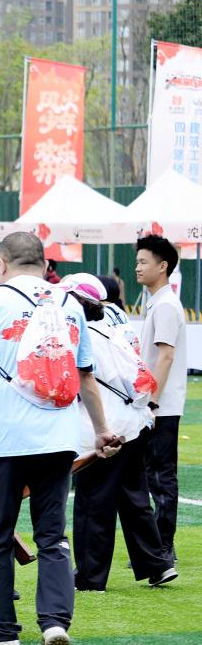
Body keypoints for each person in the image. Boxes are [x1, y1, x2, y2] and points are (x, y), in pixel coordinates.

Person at [0, 232, 119, 645]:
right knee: (52, 537)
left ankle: (3, 634)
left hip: (6, 439)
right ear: (44, 265)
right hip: (59, 439)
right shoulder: (70, 303)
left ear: (1, 264)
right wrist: (101, 430)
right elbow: (85, 376)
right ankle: (55, 623)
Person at [62, 273, 176, 591]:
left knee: (93, 501)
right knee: (134, 497)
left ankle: (90, 576)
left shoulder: (80, 336)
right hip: (134, 423)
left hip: (103, 427)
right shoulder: (114, 329)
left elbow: (82, 383)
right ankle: (157, 564)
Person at [135, 234, 187, 566]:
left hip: (161, 407)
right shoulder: (157, 302)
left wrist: (153, 403)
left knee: (160, 476)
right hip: (155, 404)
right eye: (137, 261)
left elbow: (165, 356)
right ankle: (156, 545)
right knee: (150, 475)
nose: (137, 267)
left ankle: (164, 546)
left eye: (143, 261)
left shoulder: (166, 305)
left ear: (163, 266)